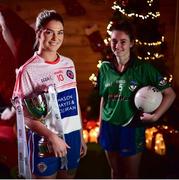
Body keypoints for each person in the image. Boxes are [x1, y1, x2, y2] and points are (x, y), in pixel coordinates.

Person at [12, 10, 87, 179]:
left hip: (72, 137)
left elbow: (73, 102)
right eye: (49, 32)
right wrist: (51, 137)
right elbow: (24, 116)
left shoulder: (68, 64)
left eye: (60, 32)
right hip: (44, 141)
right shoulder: (27, 70)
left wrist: (79, 135)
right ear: (38, 33)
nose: (55, 38)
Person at [97, 20, 176, 179]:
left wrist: (155, 116)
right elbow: (104, 98)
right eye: (114, 41)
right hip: (109, 126)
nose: (117, 46)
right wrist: (100, 126)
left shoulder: (144, 69)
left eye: (123, 41)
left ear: (132, 43)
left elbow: (170, 94)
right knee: (115, 172)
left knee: (131, 175)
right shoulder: (105, 68)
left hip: (131, 128)